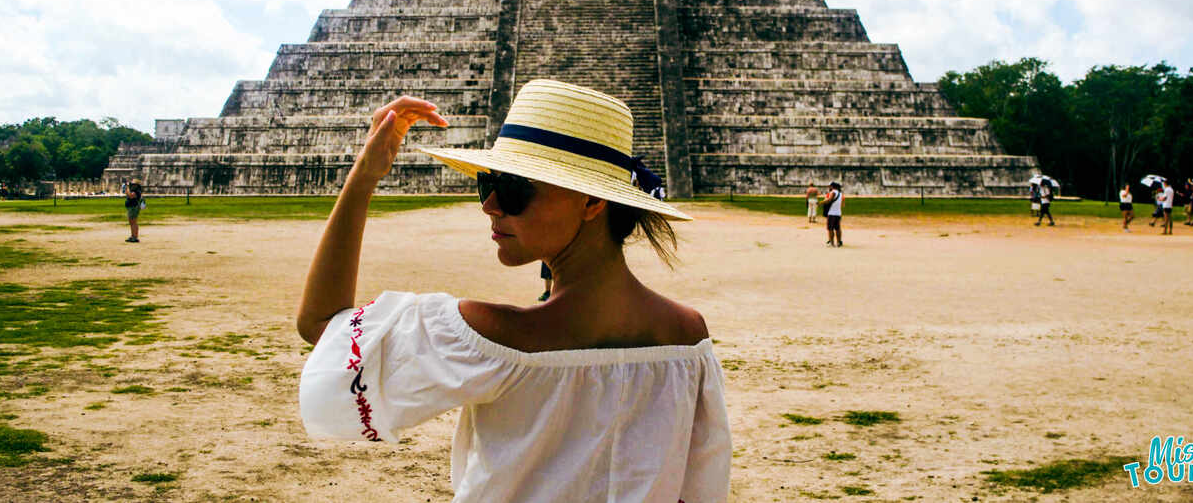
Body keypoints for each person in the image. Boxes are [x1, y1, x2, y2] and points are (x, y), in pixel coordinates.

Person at [297, 80, 731, 502]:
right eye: (489, 183)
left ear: (592, 202)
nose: (490, 205)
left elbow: (321, 323)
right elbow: (701, 483)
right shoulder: (688, 339)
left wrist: (364, 175)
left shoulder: (496, 335)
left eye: (514, 189)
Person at [823, 181, 843, 247]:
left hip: (831, 213)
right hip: (838, 213)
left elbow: (829, 200)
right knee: (838, 228)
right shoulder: (840, 193)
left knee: (830, 228)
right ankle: (839, 242)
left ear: (832, 186)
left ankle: (831, 242)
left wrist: (822, 202)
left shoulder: (833, 192)